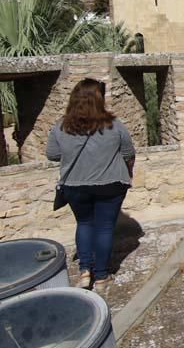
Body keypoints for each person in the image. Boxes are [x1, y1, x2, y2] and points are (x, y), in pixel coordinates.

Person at [46, 78, 135, 291]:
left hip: (75, 185)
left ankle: (85, 271)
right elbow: (128, 153)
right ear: (99, 99)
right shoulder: (114, 125)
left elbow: (52, 154)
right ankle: (102, 277)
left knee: (84, 224)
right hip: (111, 184)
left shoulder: (61, 126)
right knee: (104, 228)